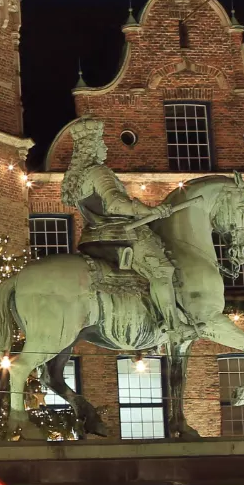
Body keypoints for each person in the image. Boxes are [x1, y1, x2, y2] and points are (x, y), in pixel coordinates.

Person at [61, 119, 184, 330]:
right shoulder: (98, 172)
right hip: (119, 235)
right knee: (161, 270)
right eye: (102, 143)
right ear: (93, 147)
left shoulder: (78, 178)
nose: (106, 147)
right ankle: (174, 326)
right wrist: (151, 211)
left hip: (92, 238)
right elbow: (115, 204)